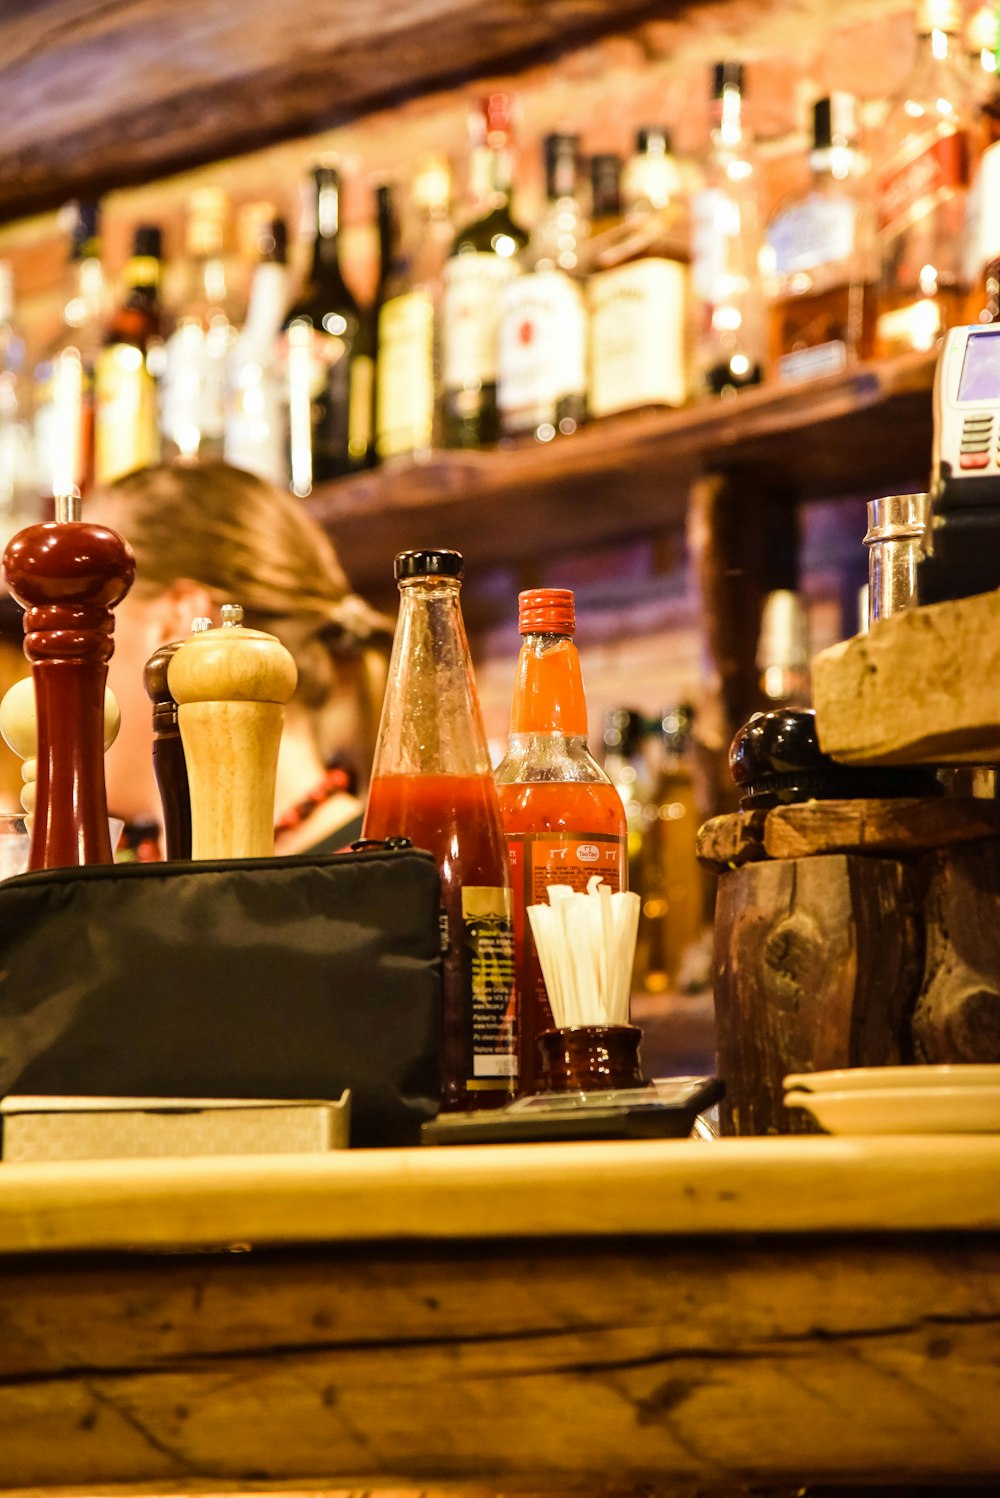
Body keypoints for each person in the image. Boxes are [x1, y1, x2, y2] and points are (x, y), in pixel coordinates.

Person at [88, 460, 393, 855]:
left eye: (84, 623)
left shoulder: (372, 889)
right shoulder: (123, 872)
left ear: (178, 624)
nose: (47, 677)